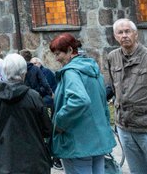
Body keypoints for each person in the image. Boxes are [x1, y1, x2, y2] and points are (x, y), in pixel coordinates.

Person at [106, 18, 147, 174]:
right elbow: (114, 87)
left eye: (128, 31)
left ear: (136, 34)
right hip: (125, 127)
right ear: (115, 36)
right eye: (120, 32)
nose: (124, 35)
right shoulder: (112, 57)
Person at [49, 34, 116, 174]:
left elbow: (80, 100)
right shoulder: (92, 69)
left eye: (58, 54)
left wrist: (60, 122)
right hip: (97, 138)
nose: (56, 59)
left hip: (78, 141)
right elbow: (101, 100)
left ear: (69, 50)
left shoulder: (71, 72)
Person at [0, 53, 53, 173]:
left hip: (5, 157)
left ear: (5, 71)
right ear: (24, 73)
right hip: (33, 158)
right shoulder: (34, 97)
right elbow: (47, 128)